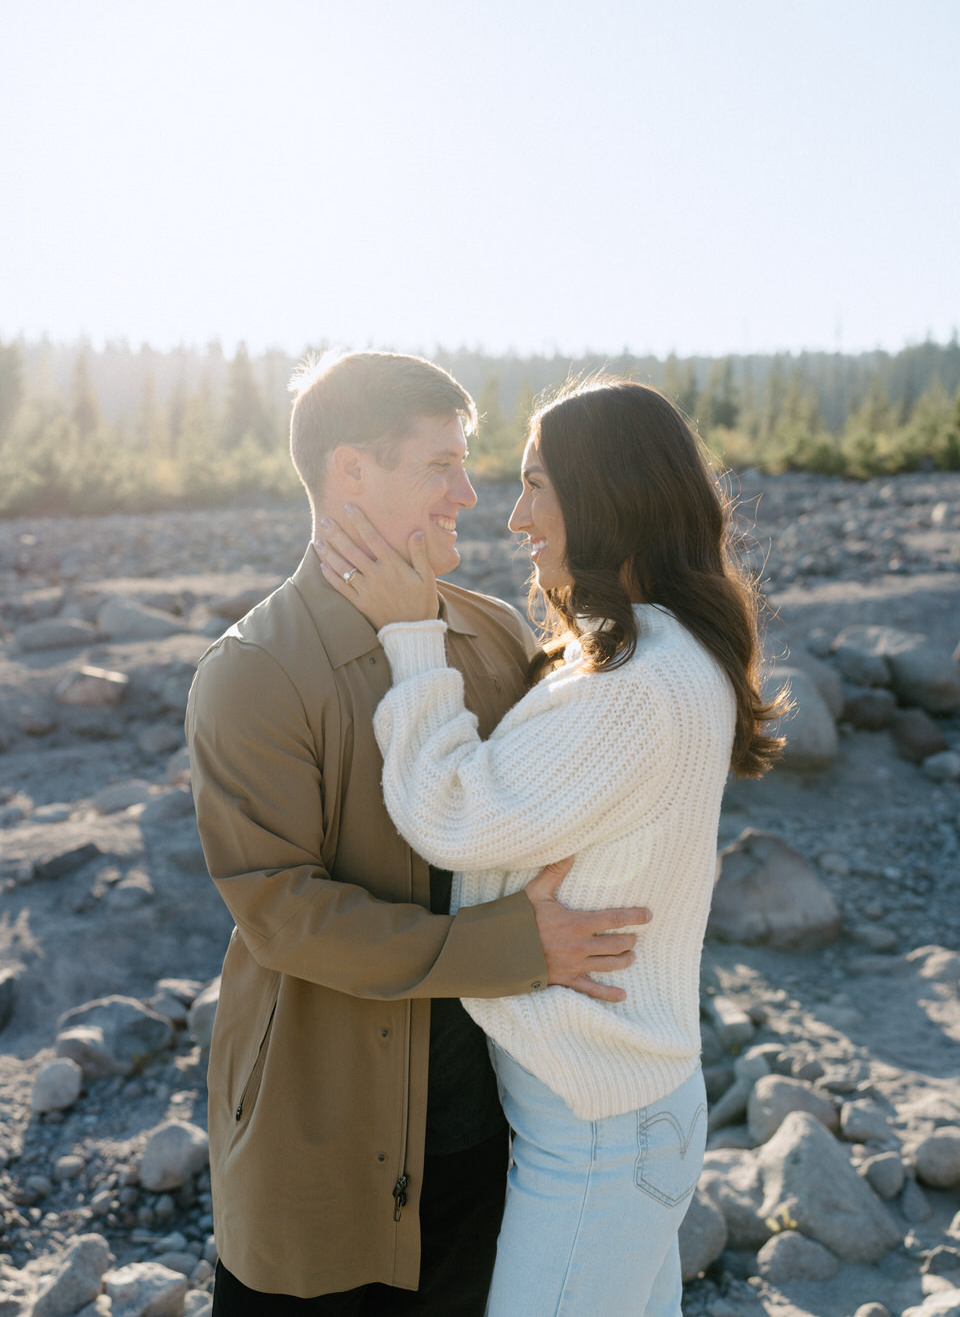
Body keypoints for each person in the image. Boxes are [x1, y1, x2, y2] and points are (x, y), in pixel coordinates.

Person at [185, 351, 653, 1316]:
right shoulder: (252, 672)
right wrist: (509, 948)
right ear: (350, 472)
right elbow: (282, 913)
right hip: (318, 1148)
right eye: (439, 465)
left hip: (484, 1141)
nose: (470, 494)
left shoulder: (493, 638)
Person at [318, 376, 785, 1317]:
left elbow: (448, 815)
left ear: (606, 495)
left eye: (538, 486)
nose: (516, 517)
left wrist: (412, 635)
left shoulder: (635, 687)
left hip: (601, 1138)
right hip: (624, 1116)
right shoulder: (658, 653)